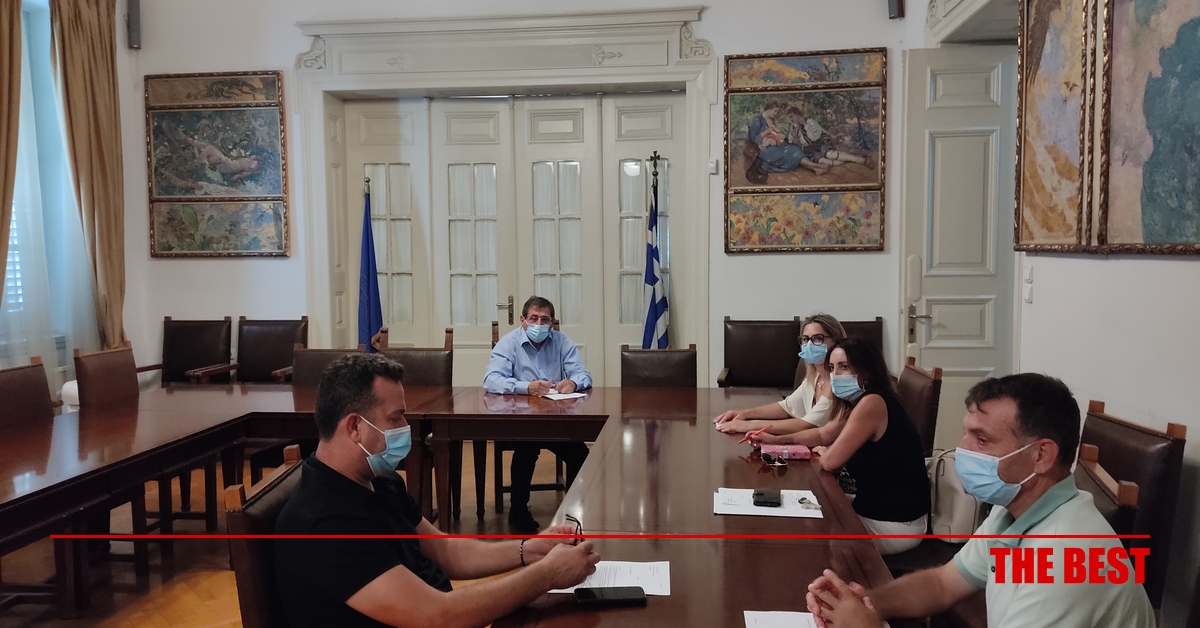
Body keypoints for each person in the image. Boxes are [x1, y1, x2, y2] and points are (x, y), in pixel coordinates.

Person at [274, 353, 600, 628]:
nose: (406, 427)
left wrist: (530, 549)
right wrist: (546, 575)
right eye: (395, 418)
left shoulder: (378, 479)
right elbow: (436, 615)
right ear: (355, 427)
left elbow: (446, 551)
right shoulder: (324, 523)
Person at [804, 374, 1155, 628]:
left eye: (982, 440)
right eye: (967, 434)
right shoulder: (1015, 509)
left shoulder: (1063, 558)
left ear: (1041, 455)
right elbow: (943, 583)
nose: (963, 450)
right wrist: (869, 602)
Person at [750, 337, 930, 555]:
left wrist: (829, 452)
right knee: (799, 506)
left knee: (805, 532)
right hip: (875, 506)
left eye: (844, 367)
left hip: (896, 524)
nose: (835, 375)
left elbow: (829, 462)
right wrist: (774, 440)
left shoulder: (872, 403)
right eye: (832, 368)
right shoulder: (859, 401)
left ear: (866, 370)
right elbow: (822, 434)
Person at [483, 296, 592, 532]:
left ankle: (573, 512)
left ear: (552, 322)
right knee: (526, 449)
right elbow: (491, 379)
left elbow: (583, 374)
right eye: (533, 318)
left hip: (556, 421)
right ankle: (518, 512)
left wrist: (573, 382)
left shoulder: (562, 342)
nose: (539, 324)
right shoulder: (509, 343)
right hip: (522, 421)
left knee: (581, 455)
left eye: (545, 320)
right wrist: (526, 387)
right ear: (522, 320)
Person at [713, 313, 844, 435]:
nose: (809, 345)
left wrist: (748, 425)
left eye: (817, 338)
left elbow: (806, 425)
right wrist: (745, 414)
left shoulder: (838, 383)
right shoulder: (815, 376)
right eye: (805, 339)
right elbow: (787, 406)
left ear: (836, 341)